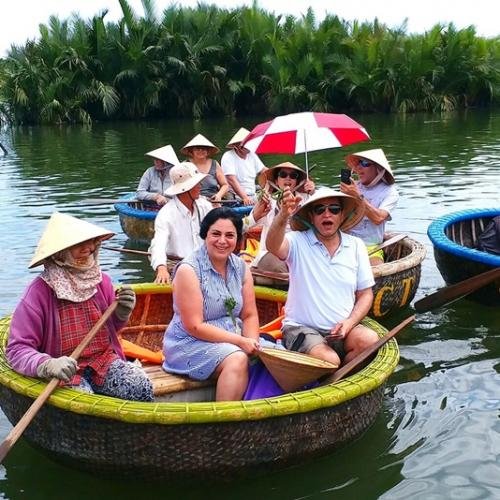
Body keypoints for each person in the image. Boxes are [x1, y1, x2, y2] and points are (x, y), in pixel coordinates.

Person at [7, 212, 153, 402]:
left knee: (140, 387)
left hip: (103, 361)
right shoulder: (38, 293)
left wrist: (121, 313)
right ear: (60, 253)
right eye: (79, 244)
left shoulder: (101, 281)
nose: (89, 248)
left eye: (91, 242)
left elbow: (110, 329)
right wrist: (47, 364)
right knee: (84, 401)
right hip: (64, 372)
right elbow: (17, 350)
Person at [265, 186, 379, 367]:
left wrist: (349, 323)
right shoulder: (297, 240)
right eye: (320, 210)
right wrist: (283, 216)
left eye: (334, 209)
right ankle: (335, 375)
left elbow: (365, 294)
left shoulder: (356, 245)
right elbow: (272, 246)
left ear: (342, 215)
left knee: (370, 341)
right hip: (302, 329)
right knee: (330, 360)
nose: (327, 214)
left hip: (342, 330)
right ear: (312, 216)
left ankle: (338, 376)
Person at [162, 207, 261, 401]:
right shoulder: (189, 270)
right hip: (189, 343)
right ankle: (225, 425)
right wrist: (241, 343)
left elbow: (249, 315)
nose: (222, 241)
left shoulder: (241, 267)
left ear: (237, 240)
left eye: (230, 235)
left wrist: (253, 344)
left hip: (234, 337)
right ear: (205, 235)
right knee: (237, 359)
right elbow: (194, 325)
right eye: (216, 234)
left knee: (274, 357)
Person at [148, 161, 214, 284]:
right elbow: (158, 244)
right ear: (185, 189)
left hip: (205, 265)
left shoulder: (204, 205)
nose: (200, 186)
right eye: (196, 183)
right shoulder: (166, 214)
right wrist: (161, 267)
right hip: (179, 267)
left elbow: (220, 226)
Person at [244, 162, 315, 275]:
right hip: (271, 252)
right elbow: (244, 226)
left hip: (300, 251)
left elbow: (320, 225)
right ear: (276, 180)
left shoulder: (307, 199)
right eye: (283, 174)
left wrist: (314, 194)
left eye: (293, 176)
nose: (288, 178)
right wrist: (255, 215)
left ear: (297, 181)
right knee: (281, 269)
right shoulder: (267, 201)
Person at [340, 149, 399, 265]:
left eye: (364, 163)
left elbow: (378, 218)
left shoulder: (390, 192)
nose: (358, 168)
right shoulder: (352, 187)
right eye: (357, 164)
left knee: (377, 272)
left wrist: (358, 197)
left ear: (378, 168)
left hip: (371, 247)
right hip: (345, 244)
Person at [220, 127, 267, 205]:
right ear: (236, 145)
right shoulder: (228, 156)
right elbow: (231, 179)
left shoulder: (252, 155)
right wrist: (244, 197)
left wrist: (278, 173)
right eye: (244, 143)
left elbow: (264, 171)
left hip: (253, 194)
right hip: (236, 197)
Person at [180, 134, 229, 203]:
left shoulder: (214, 163)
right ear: (192, 151)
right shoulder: (184, 165)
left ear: (208, 151)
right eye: (197, 149)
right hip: (193, 200)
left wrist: (219, 195)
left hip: (213, 200)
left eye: (203, 149)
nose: (200, 151)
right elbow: (181, 187)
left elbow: (225, 185)